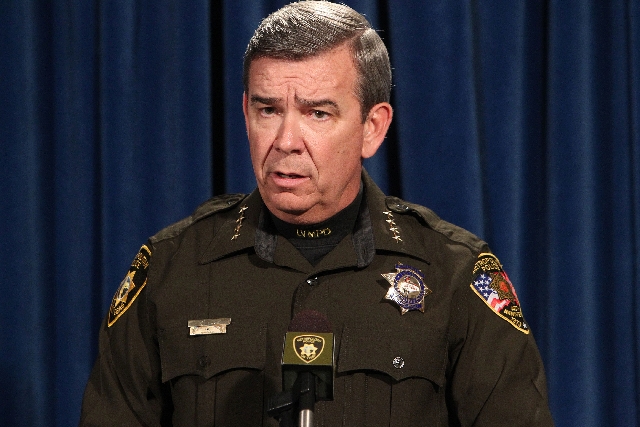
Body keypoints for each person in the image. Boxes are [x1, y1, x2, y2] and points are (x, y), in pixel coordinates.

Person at [80, 1, 555, 426]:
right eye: (268, 110)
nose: (286, 141)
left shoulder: (454, 274)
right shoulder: (170, 269)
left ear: (372, 127)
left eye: (317, 113)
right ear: (245, 112)